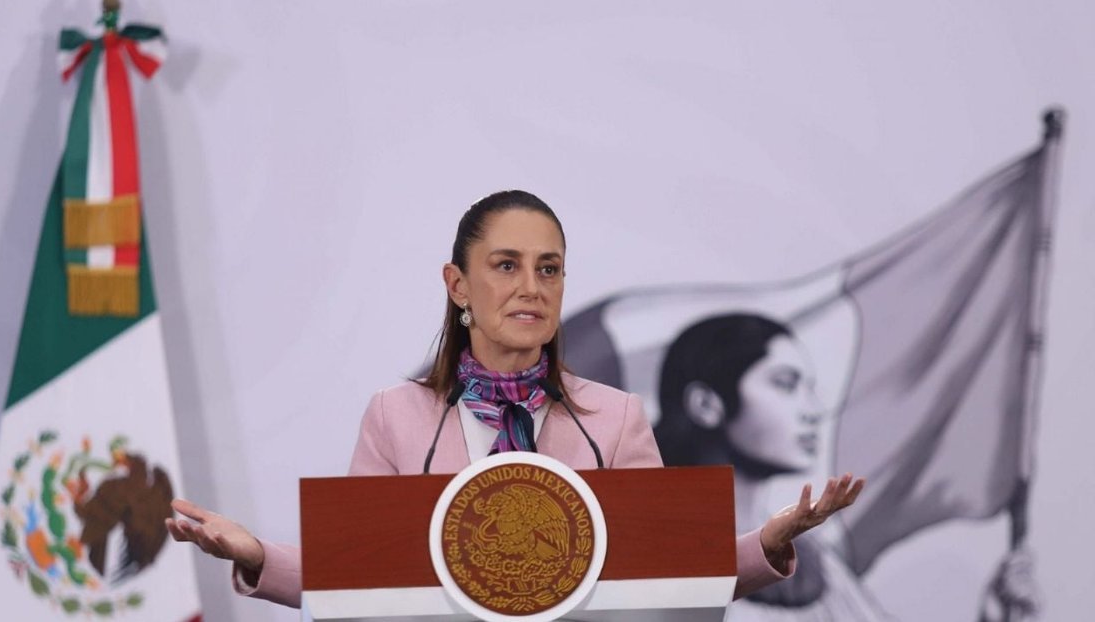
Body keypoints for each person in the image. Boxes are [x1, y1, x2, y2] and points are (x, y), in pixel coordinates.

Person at [165, 191, 865, 611]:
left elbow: (672, 574)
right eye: (507, 266)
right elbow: (357, 580)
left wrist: (767, 544)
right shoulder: (397, 417)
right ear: (458, 285)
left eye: (548, 269)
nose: (532, 287)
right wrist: (257, 554)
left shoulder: (612, 419)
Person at [654, 313, 1038, 622]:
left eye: (809, 388)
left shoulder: (818, 563)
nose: (814, 411)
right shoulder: (654, 555)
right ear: (706, 404)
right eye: (785, 384)